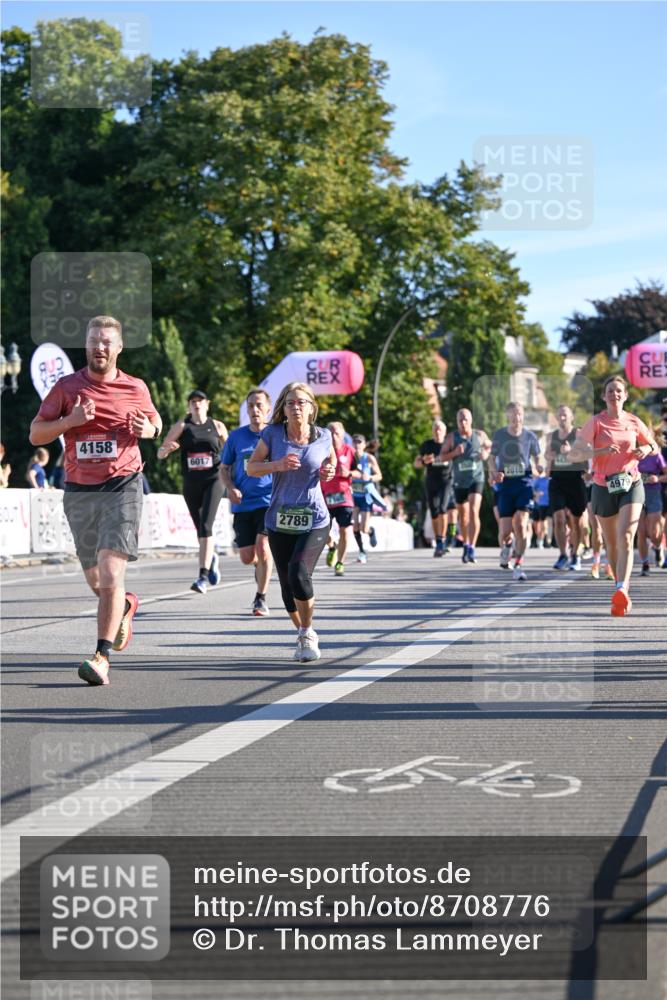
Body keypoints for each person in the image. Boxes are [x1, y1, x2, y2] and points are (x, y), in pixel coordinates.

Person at [29, 315, 161, 685]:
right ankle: (125, 605)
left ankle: (101, 657)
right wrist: (70, 421)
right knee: (98, 582)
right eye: (93, 341)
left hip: (123, 487)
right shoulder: (67, 387)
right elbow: (36, 435)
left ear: (118, 348)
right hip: (79, 491)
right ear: (85, 345)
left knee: (110, 571)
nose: (98, 347)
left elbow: (156, 423)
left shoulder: (136, 387)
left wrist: (147, 429)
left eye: (106, 342)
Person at [246, 382, 335, 661]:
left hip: (315, 518)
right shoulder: (272, 435)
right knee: (287, 590)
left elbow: (330, 463)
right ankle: (303, 632)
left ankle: (307, 631)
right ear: (283, 409)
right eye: (290, 403)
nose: (296, 407)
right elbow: (251, 467)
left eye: (301, 402)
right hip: (279, 520)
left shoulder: (324, 436)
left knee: (299, 573)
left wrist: (328, 471)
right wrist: (277, 465)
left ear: (311, 408)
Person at [573, 375, 658, 616]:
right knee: (611, 543)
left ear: (625, 395)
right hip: (603, 486)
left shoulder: (633, 421)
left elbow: (654, 446)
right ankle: (619, 588)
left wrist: (646, 448)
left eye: (619, 390)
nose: (615, 394)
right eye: (610, 390)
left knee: (626, 535)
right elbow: (575, 455)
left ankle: (622, 588)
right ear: (604, 396)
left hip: (631, 483)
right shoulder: (596, 422)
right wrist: (599, 450)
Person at [157, 390, 227, 593]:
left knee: (206, 525)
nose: (196, 404)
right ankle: (210, 556)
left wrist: (233, 476)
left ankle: (202, 577)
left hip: (214, 479)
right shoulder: (182, 426)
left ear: (207, 404)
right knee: (200, 529)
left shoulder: (217, 426)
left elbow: (231, 451)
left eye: (200, 401)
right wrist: (167, 450)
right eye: (192, 401)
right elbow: (160, 453)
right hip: (191, 482)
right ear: (188, 405)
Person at [220, 388, 274, 615]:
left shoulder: (275, 436)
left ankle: (260, 598)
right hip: (242, 504)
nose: (255, 410)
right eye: (251, 405)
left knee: (263, 548)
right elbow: (224, 468)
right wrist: (231, 488)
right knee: (247, 557)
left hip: (269, 501)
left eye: (259, 405)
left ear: (268, 409)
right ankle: (258, 566)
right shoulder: (236, 437)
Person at [488, 402, 541, 581]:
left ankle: (518, 563)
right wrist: (494, 472)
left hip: (524, 483)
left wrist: (539, 465)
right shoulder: (500, 435)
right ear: (507, 416)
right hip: (506, 486)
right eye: (513, 414)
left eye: (519, 414)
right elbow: (491, 458)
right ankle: (507, 546)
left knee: (520, 524)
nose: (517, 418)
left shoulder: (530, 436)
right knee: (505, 531)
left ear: (523, 416)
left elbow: (537, 457)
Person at [439, 409, 491, 563]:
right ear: (457, 422)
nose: (463, 423)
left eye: (465, 419)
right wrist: (454, 453)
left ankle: (472, 547)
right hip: (460, 481)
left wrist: (485, 454)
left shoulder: (479, 435)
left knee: (474, 511)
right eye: (460, 420)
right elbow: (441, 457)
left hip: (476, 479)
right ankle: (466, 543)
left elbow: (490, 446)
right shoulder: (451, 438)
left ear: (471, 420)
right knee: (464, 516)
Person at [546, 405, 589, 572]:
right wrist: (550, 456)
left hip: (575, 480)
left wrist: (572, 451)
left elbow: (587, 455)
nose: (562, 418)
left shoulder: (578, 434)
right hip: (557, 480)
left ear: (571, 417)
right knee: (558, 518)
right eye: (559, 415)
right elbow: (547, 455)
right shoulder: (551, 436)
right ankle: (563, 554)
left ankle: (575, 555)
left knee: (577, 521)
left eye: (565, 414)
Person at [322, 421, 356, 577]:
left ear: (342, 435)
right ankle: (331, 547)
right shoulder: (321, 451)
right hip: (324, 497)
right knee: (323, 532)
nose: (333, 436)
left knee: (344, 530)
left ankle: (340, 563)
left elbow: (359, 473)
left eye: (336, 433)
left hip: (344, 498)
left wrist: (348, 473)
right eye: (330, 433)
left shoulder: (350, 451)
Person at [414, 420, 452, 557]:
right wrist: (425, 461)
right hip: (431, 481)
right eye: (435, 429)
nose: (437, 431)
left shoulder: (449, 445)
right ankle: (439, 539)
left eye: (440, 429)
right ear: (432, 431)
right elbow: (416, 463)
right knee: (434, 511)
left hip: (446, 480)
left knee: (443, 508)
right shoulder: (427, 445)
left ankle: (443, 538)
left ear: (444, 432)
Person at [636, 432, 667, 575]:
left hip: (653, 493)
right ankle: (645, 564)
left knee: (654, 532)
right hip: (636, 493)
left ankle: (658, 546)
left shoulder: (656, 456)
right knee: (641, 531)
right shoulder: (633, 454)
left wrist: (657, 478)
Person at [351, 433, 383, 563]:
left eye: (359, 442)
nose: (357, 445)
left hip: (365, 496)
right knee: (355, 527)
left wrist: (369, 477)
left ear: (364, 445)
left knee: (364, 528)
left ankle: (370, 531)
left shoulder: (369, 458)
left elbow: (379, 476)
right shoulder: (350, 458)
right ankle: (362, 551)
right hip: (353, 495)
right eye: (355, 442)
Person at [530, 465, 551, 549]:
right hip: (540, 504)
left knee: (547, 523)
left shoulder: (552, 481)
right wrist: (536, 494)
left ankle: (545, 541)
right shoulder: (539, 480)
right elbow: (532, 489)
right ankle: (540, 539)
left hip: (550, 504)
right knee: (538, 524)